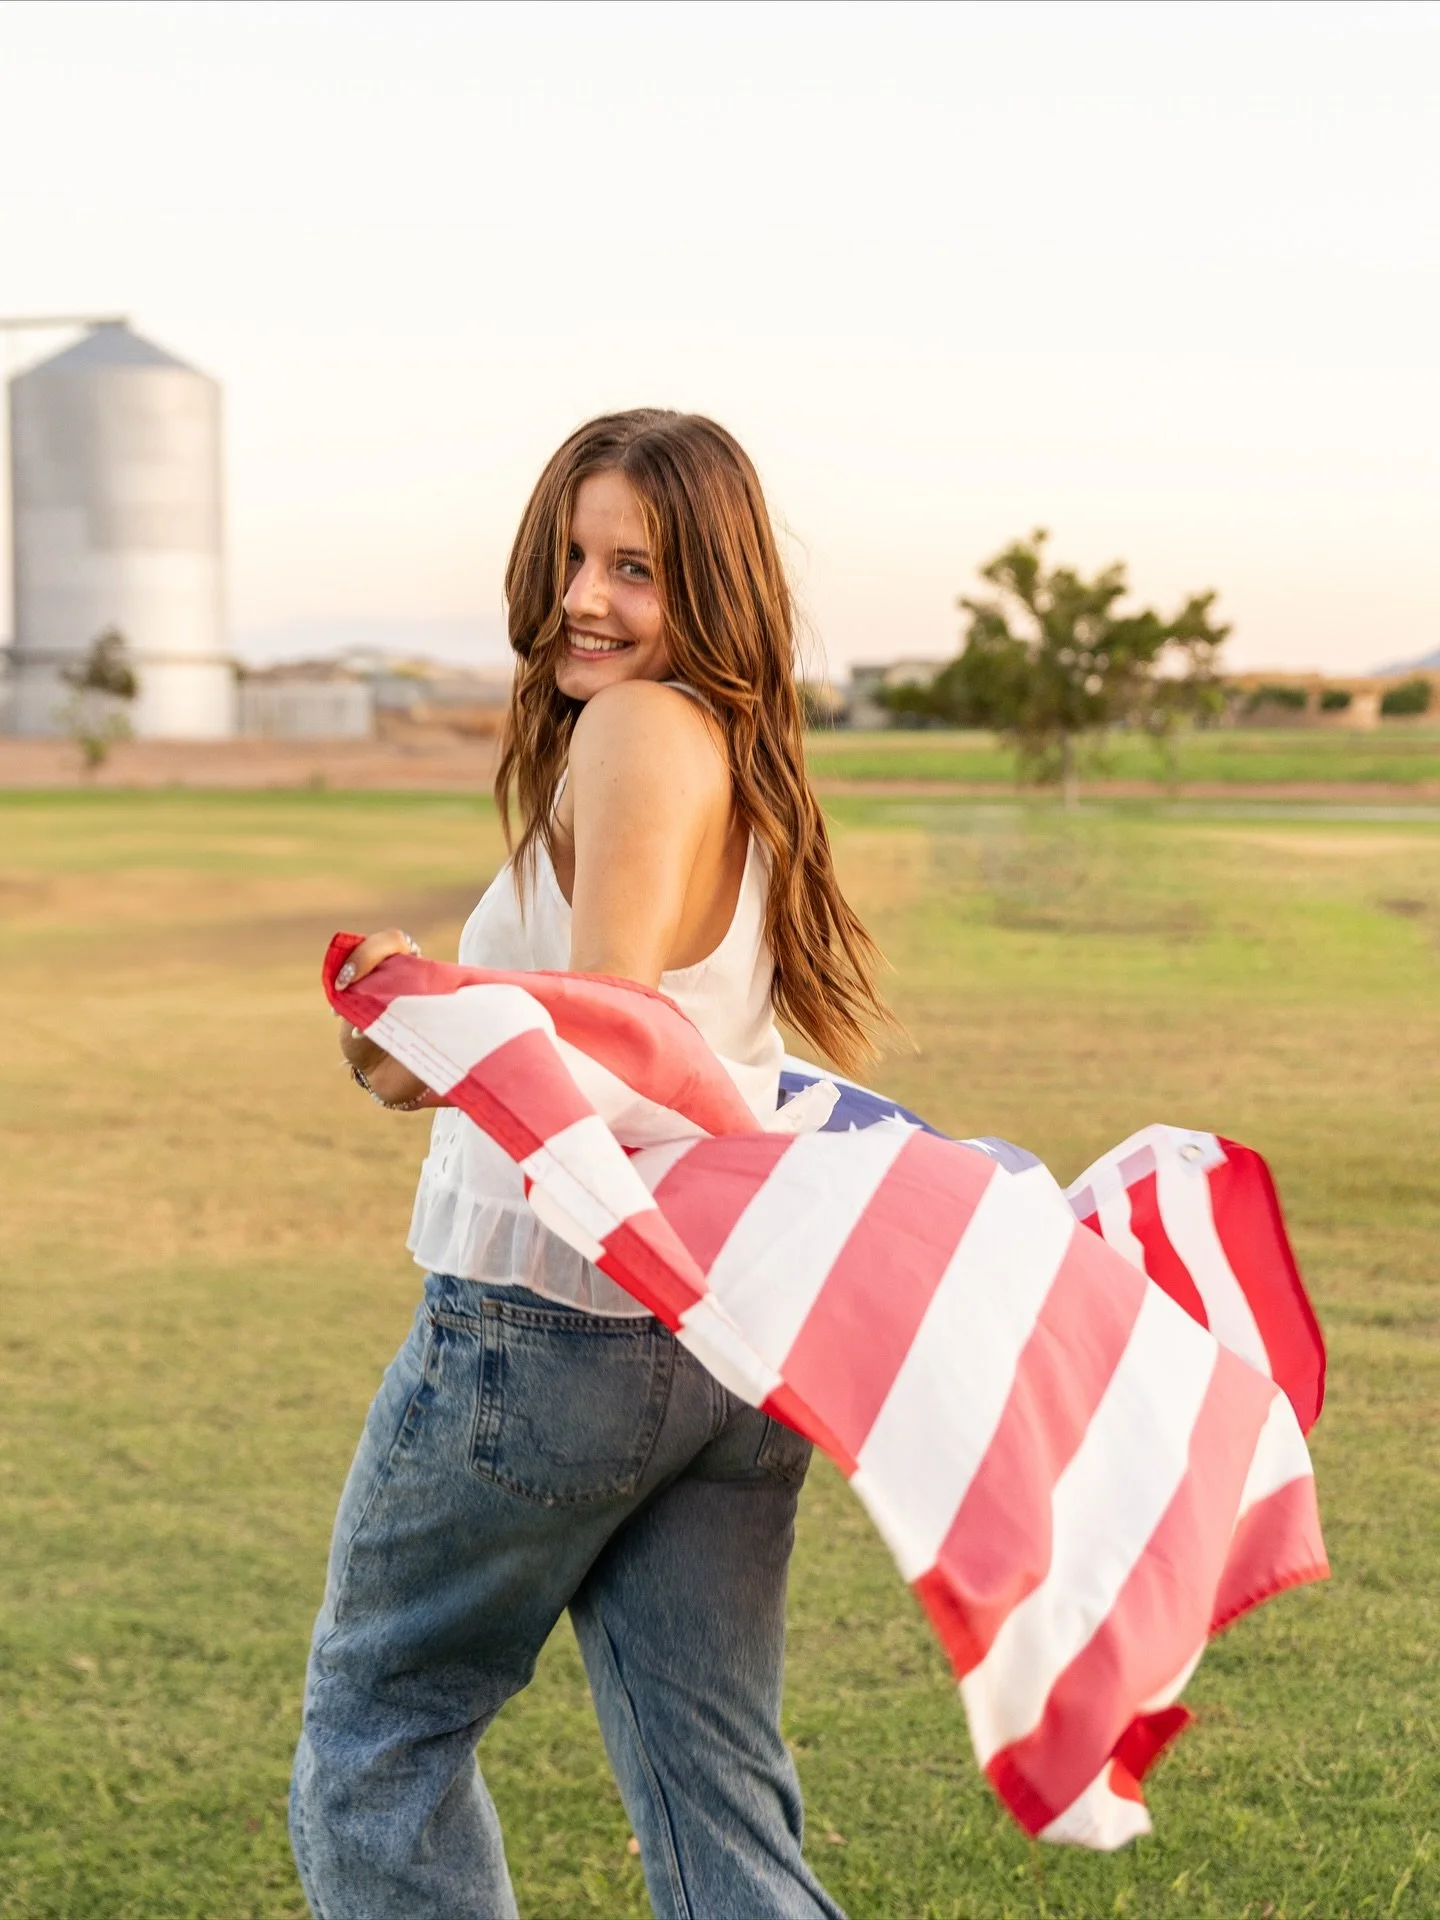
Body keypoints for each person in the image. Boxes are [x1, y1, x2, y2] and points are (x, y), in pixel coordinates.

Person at [289, 410, 891, 1920]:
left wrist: (419, 1019)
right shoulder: (738, 755)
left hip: (553, 1321)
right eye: (573, 551)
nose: (585, 596)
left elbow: (614, 1029)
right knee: (717, 1803)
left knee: (381, 1735)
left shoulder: (633, 729)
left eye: (637, 566)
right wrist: (435, 1030)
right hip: (722, 1340)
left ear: (714, 593)